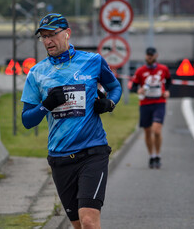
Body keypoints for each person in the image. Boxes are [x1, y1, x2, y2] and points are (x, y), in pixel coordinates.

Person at [21, 13, 122, 229]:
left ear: (67, 34)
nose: (47, 41)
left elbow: (114, 87)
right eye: (43, 37)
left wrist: (109, 103)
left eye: (52, 35)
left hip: (92, 152)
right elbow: (27, 120)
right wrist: (46, 104)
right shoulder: (37, 73)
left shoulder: (92, 61)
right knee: (77, 224)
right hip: (60, 158)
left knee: (88, 220)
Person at [131, 47, 171, 169]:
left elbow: (169, 80)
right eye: (148, 55)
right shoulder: (140, 71)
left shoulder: (163, 69)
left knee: (157, 130)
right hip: (145, 104)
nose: (149, 57)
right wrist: (139, 90)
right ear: (145, 56)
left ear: (156, 56)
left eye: (151, 55)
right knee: (147, 132)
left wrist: (167, 91)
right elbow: (133, 87)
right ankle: (152, 156)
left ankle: (158, 155)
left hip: (159, 102)